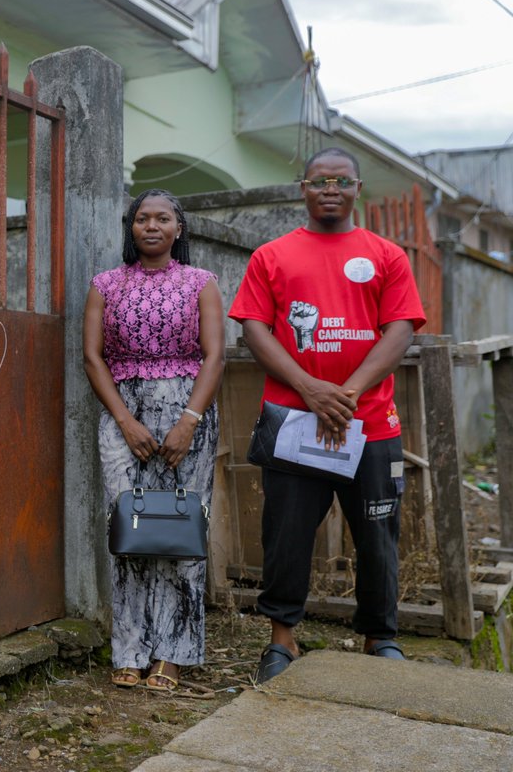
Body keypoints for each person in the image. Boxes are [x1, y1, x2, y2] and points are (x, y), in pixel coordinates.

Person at [228, 147, 426, 683]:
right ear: (303, 189)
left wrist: (348, 391)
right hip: (294, 420)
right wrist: (310, 389)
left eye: (341, 180)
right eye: (320, 181)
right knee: (286, 534)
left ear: (358, 187)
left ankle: (380, 637)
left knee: (378, 536)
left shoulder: (387, 255)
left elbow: (401, 328)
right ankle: (282, 640)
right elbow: (253, 328)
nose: (330, 188)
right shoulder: (271, 256)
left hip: (372, 423)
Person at [83, 188, 225, 692]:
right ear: (131, 226)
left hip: (187, 415)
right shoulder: (105, 284)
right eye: (142, 218)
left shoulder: (201, 283)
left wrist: (188, 420)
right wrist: (125, 420)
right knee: (128, 530)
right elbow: (93, 359)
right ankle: (129, 650)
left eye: (162, 218)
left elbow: (214, 356)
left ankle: (174, 655)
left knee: (181, 531)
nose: (151, 226)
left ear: (178, 228)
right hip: (125, 418)